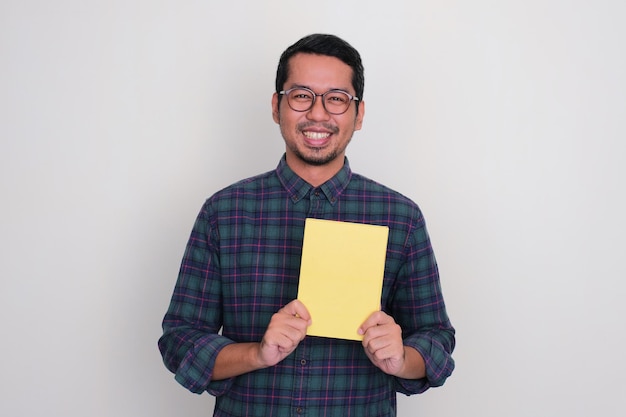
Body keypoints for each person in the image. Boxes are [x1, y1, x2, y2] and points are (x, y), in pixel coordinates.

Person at [158, 33, 455, 417]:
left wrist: (402, 359)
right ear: (276, 106)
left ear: (358, 114)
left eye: (336, 99)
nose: (317, 114)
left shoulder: (401, 217)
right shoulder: (224, 212)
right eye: (301, 95)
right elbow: (180, 341)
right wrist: (256, 353)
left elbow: (437, 340)